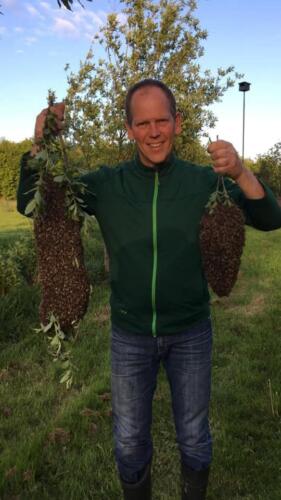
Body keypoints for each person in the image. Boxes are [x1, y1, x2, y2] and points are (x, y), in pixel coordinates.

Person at [17, 79, 281, 499]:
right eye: (143, 123)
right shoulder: (106, 184)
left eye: (162, 120)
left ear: (177, 123)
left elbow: (269, 217)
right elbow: (35, 201)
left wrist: (241, 171)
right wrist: (39, 144)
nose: (153, 131)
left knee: (194, 437)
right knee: (128, 441)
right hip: (130, 334)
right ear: (129, 129)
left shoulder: (201, 182)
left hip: (191, 331)